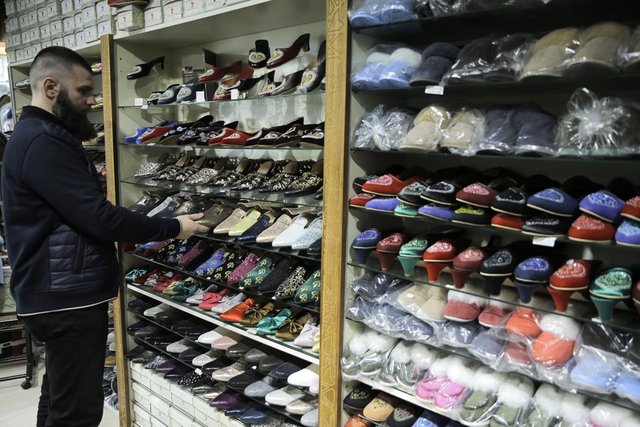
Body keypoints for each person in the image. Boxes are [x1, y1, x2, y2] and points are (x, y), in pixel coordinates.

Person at [1, 46, 209, 426]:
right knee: (77, 412)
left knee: (59, 397)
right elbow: (99, 217)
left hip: (53, 289)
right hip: (65, 296)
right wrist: (174, 226)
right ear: (50, 87)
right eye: (83, 91)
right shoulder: (43, 141)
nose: (91, 100)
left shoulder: (34, 135)